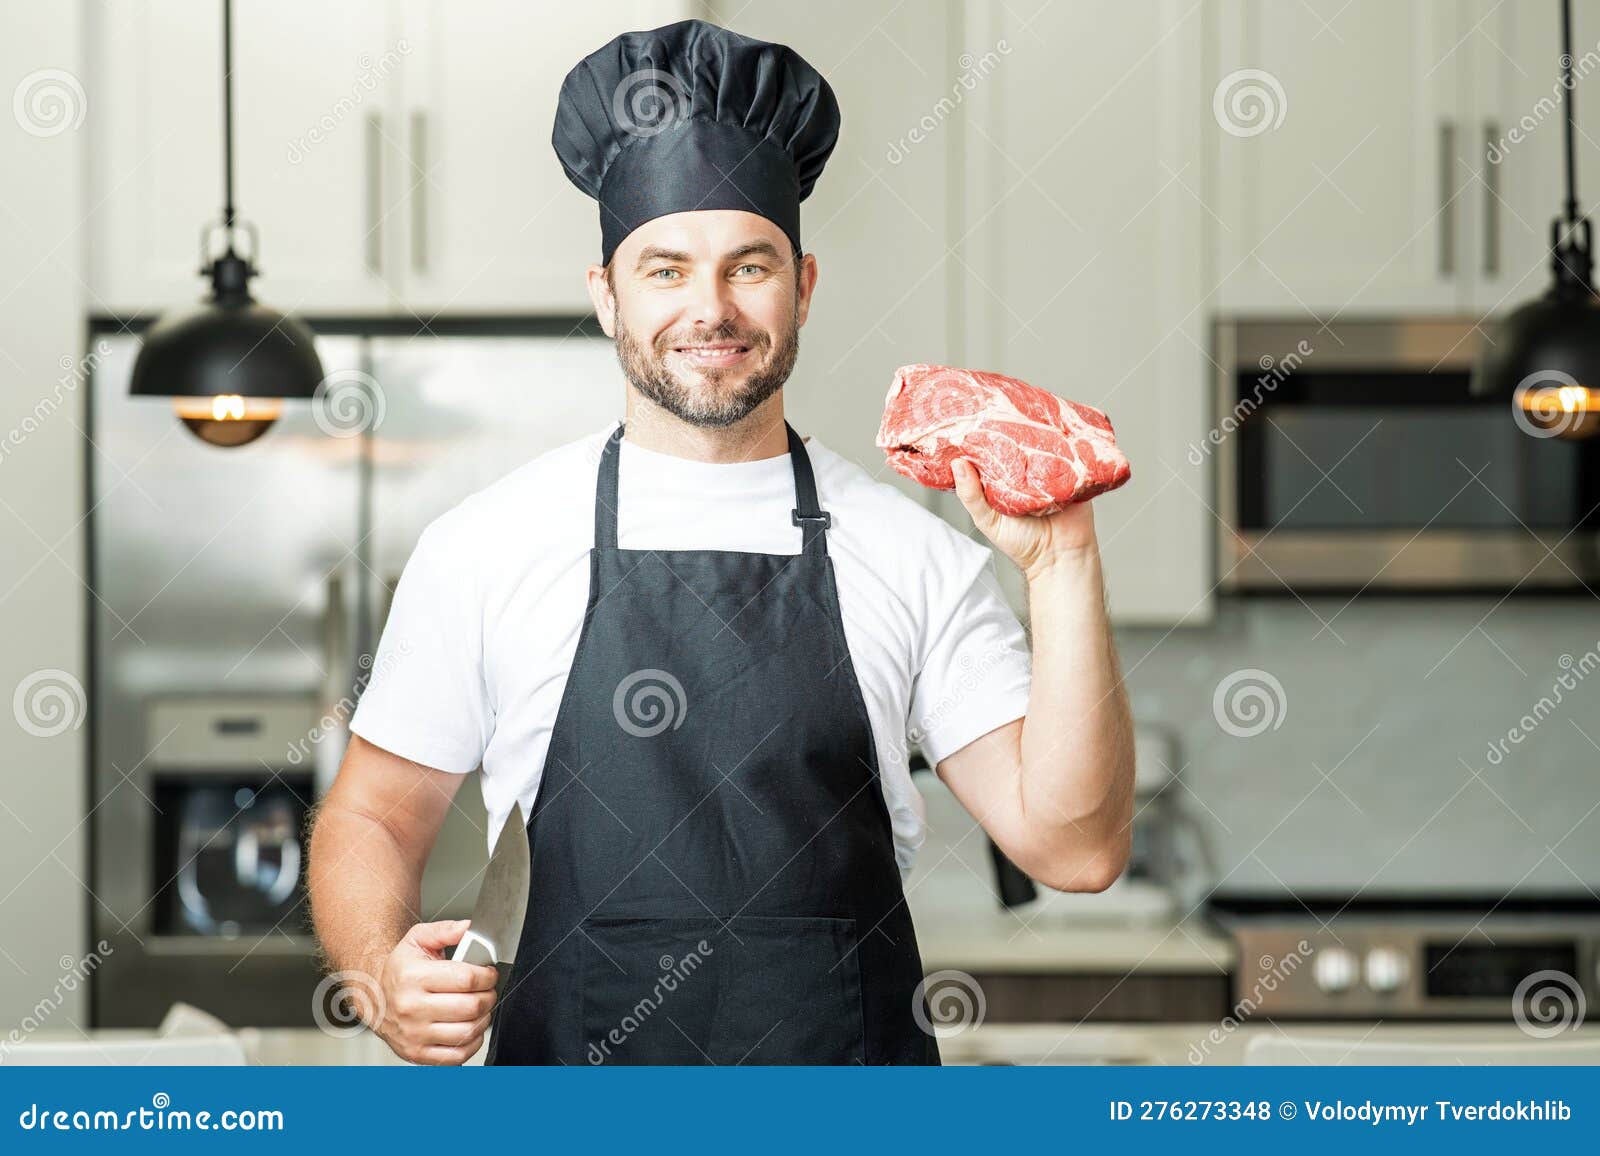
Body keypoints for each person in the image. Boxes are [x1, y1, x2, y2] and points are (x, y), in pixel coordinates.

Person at [308, 18, 1134, 1066]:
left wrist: (1062, 562)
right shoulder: (488, 543)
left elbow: (1077, 846)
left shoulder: (911, 552)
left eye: (750, 265)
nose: (710, 309)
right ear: (605, 294)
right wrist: (375, 967)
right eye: (665, 270)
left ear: (804, 286)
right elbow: (372, 815)